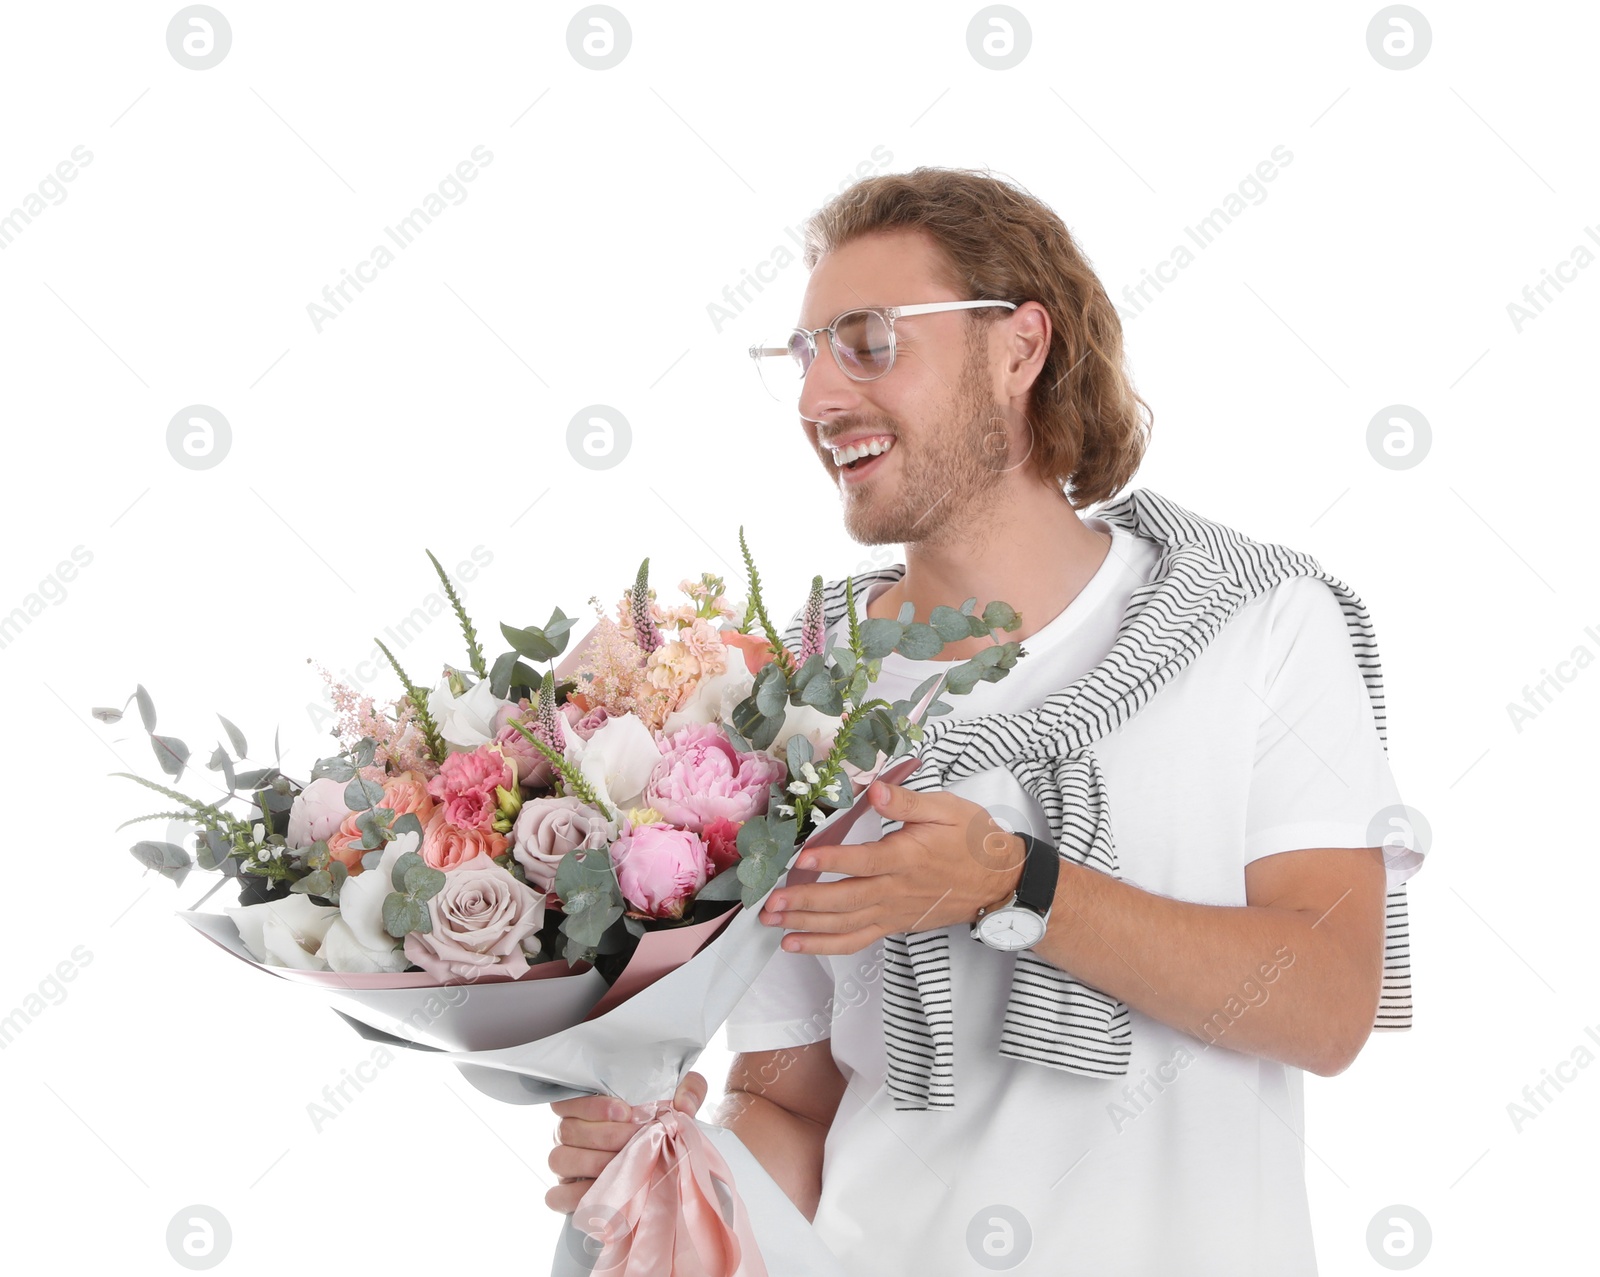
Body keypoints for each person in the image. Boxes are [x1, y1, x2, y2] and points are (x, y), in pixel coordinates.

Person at [545, 167, 1421, 1275]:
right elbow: (796, 1105)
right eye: (804, 354)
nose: (817, 398)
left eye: (866, 340)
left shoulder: (1258, 623)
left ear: (1019, 349)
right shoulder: (786, 696)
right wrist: (673, 1170)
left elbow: (1327, 1000)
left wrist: (1015, 884)